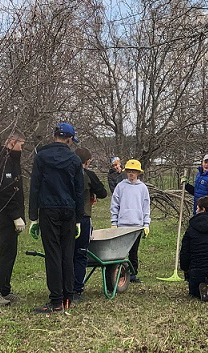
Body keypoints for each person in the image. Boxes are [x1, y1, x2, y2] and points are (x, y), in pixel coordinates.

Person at [29, 122, 84, 313]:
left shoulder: (41, 157)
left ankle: (56, 300)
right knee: (67, 253)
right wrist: (78, 219)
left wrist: (33, 217)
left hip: (48, 209)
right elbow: (79, 192)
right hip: (68, 210)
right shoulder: (75, 160)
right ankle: (68, 296)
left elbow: (35, 187)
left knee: (53, 254)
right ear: (69, 139)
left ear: (54, 136)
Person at [0, 129, 26, 306]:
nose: (22, 149)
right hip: (5, 217)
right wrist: (16, 216)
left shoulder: (11, 161)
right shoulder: (3, 162)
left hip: (9, 217)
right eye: (21, 145)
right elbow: (6, 191)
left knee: (11, 253)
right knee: (6, 254)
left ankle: (4, 290)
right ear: (12, 142)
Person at [73, 147, 108, 302]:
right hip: (83, 218)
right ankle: (76, 290)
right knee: (80, 254)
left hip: (64, 218)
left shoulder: (64, 173)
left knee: (66, 254)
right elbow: (103, 193)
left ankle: (63, 288)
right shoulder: (88, 175)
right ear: (87, 162)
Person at [110, 159, 150, 283]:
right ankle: (119, 274)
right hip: (122, 225)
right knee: (120, 253)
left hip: (136, 225)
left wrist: (146, 224)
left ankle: (132, 274)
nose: (131, 174)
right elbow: (114, 204)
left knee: (133, 252)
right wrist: (114, 222)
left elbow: (145, 207)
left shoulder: (142, 188)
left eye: (134, 171)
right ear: (126, 172)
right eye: (129, 171)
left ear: (138, 173)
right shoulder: (121, 186)